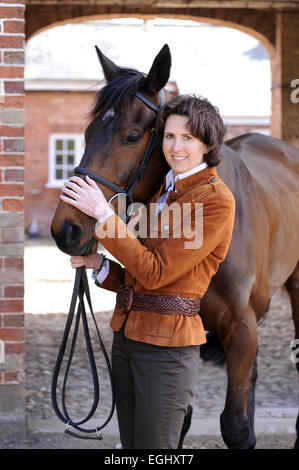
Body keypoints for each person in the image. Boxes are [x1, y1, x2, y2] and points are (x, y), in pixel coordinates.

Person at [60, 95, 236, 449]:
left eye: (188, 138)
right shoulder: (161, 193)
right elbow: (140, 273)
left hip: (168, 350)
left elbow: (156, 273)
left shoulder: (214, 201)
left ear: (207, 143)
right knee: (132, 448)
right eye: (169, 137)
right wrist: (102, 267)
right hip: (127, 338)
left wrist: (105, 216)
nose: (176, 146)